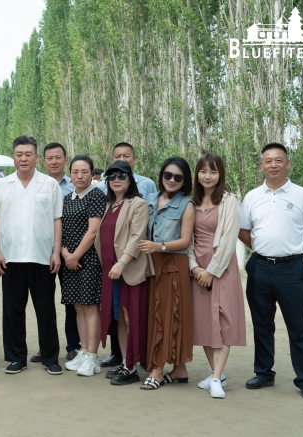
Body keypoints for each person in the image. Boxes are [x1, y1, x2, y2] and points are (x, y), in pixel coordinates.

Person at [238, 143, 303, 400]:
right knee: (262, 324)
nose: (273, 165)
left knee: (298, 325)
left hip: (292, 269)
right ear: (261, 165)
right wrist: (263, 250)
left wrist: (293, 251)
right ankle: (264, 373)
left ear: (287, 163)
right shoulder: (252, 196)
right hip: (260, 267)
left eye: (278, 160)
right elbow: (243, 231)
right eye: (268, 161)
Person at [0, 135, 64, 375]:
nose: (23, 158)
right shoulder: (2, 185)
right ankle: (16, 357)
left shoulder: (49, 185)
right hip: (11, 258)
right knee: (13, 311)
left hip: (42, 257)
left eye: (28, 154)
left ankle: (50, 357)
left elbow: (57, 219)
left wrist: (56, 252)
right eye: (19, 154)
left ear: (36, 157)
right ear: (14, 157)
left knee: (46, 309)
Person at [188, 154, 246, 399]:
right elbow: (187, 240)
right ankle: (217, 374)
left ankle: (215, 379)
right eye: (203, 171)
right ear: (197, 174)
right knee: (203, 322)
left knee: (223, 322)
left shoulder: (229, 201)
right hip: (197, 270)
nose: (208, 176)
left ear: (220, 174)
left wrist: (211, 271)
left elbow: (229, 239)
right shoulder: (191, 202)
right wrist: (194, 268)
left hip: (222, 268)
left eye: (213, 171)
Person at [137, 157, 195, 390]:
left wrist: (158, 246)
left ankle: (158, 369)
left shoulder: (186, 204)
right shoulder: (149, 199)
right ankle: (180, 369)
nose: (171, 180)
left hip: (172, 264)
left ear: (185, 181)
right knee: (155, 314)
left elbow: (185, 240)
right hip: (150, 264)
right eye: (167, 175)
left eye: (178, 177)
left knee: (168, 315)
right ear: (161, 175)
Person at [98, 142, 157, 368]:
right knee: (120, 318)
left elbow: (136, 236)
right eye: (112, 176)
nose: (116, 179)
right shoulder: (108, 204)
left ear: (130, 178)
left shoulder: (138, 204)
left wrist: (122, 262)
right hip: (110, 271)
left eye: (122, 175)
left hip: (129, 270)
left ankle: (134, 364)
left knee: (133, 317)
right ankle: (125, 363)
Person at [30, 142, 79, 365]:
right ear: (43, 161)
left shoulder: (75, 186)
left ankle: (73, 347)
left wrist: (68, 252)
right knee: (44, 303)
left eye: (58, 157)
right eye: (49, 158)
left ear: (65, 160)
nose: (54, 162)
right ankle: (46, 347)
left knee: (72, 301)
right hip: (43, 253)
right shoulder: (36, 186)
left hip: (72, 254)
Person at [59, 155, 106, 377]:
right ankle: (84, 351)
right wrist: (65, 254)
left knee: (90, 306)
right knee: (77, 306)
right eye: (75, 172)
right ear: (70, 174)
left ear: (91, 174)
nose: (80, 176)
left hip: (88, 260)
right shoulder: (66, 198)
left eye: (84, 172)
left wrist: (75, 255)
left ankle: (93, 356)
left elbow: (93, 230)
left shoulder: (96, 195)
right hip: (69, 260)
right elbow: (59, 228)